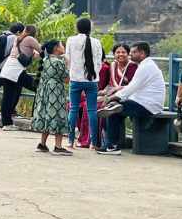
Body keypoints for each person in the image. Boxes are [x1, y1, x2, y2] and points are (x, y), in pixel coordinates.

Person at [100, 42, 164, 139]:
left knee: (112, 111)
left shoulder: (146, 67)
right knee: (114, 107)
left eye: (134, 52)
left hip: (148, 105)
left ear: (142, 54)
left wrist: (111, 98)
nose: (130, 54)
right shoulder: (145, 65)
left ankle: (112, 146)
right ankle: (116, 143)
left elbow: (130, 88)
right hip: (145, 102)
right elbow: (131, 88)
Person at [65, 18, 103, 149]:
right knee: (92, 110)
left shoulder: (70, 40)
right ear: (90, 29)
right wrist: (94, 74)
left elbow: (68, 59)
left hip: (75, 79)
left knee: (73, 108)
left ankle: (70, 141)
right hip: (92, 80)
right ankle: (93, 142)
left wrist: (71, 73)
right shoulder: (97, 42)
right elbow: (99, 61)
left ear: (77, 28)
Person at [31, 40, 72, 154]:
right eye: (61, 45)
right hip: (55, 92)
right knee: (58, 115)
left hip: (45, 91)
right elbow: (66, 79)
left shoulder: (45, 60)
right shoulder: (59, 62)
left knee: (46, 114)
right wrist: (68, 63)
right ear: (56, 48)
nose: (63, 47)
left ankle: (42, 144)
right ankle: (58, 146)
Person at [0, 25, 40, 129]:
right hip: (16, 71)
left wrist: (33, 52)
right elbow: (42, 50)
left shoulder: (18, 39)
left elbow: (24, 51)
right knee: (39, 88)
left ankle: (6, 123)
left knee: (7, 97)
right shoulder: (30, 39)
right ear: (34, 33)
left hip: (8, 69)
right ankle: (39, 117)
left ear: (25, 30)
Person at [97, 42, 135, 154]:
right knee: (98, 105)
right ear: (114, 54)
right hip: (114, 95)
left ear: (128, 54)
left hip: (129, 96)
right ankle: (102, 141)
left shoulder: (133, 66)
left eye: (123, 52)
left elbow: (132, 85)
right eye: (118, 52)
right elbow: (110, 84)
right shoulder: (113, 66)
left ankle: (111, 144)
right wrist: (103, 92)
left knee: (109, 109)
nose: (120, 54)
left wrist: (115, 91)